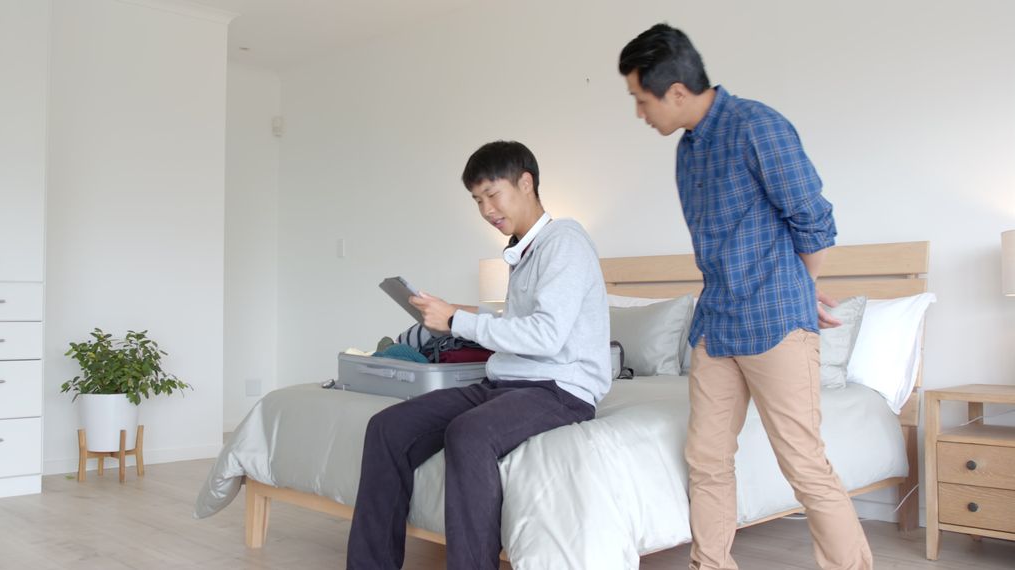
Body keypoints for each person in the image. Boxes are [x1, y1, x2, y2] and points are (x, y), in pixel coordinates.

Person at [618, 24, 872, 570]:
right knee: (706, 460)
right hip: (717, 326)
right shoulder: (687, 152)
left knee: (803, 464)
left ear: (677, 92)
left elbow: (814, 221)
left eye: (642, 100)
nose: (640, 113)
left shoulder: (758, 126)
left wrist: (798, 290)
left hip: (776, 322)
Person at [346, 140, 610, 570]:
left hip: (562, 389)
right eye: (477, 200)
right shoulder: (521, 251)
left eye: (492, 194)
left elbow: (546, 337)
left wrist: (458, 321)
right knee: (386, 428)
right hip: (505, 384)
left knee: (468, 434)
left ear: (526, 182)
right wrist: (457, 315)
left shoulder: (566, 241)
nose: (487, 209)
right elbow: (519, 330)